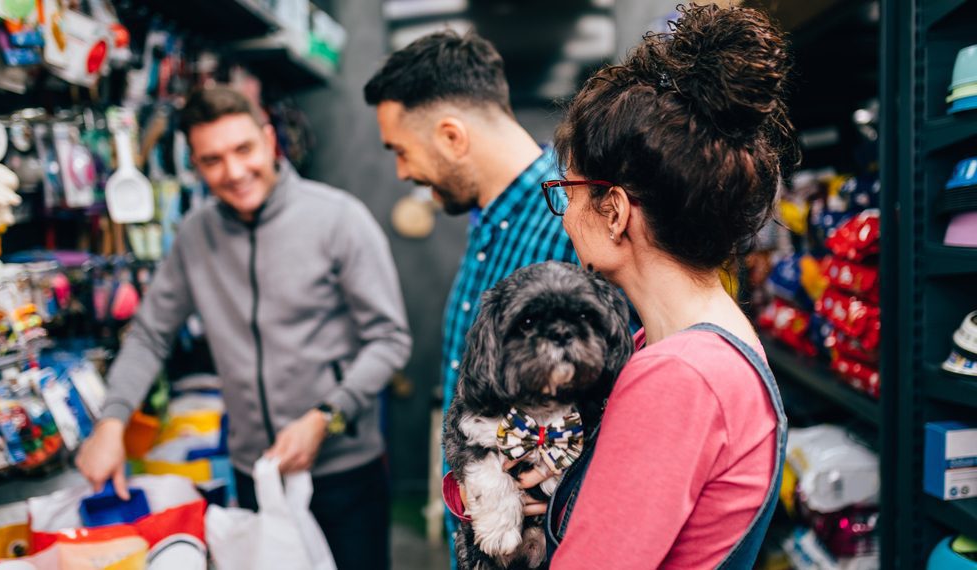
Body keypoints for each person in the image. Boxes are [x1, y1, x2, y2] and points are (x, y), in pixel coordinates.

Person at [76, 86, 411, 570]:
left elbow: (390, 339)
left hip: (344, 472)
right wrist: (111, 421)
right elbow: (151, 334)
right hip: (255, 472)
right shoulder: (195, 235)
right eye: (212, 160)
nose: (233, 172)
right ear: (194, 163)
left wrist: (325, 416)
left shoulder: (338, 218)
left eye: (243, 150)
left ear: (270, 140)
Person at [527, 5, 797, 568]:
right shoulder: (693, 341)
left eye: (569, 191)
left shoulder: (680, 379)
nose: (564, 214)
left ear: (615, 212)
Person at [363, 30, 580, 549]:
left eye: (401, 151)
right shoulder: (487, 218)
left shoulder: (573, 220)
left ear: (452, 136)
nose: (403, 171)